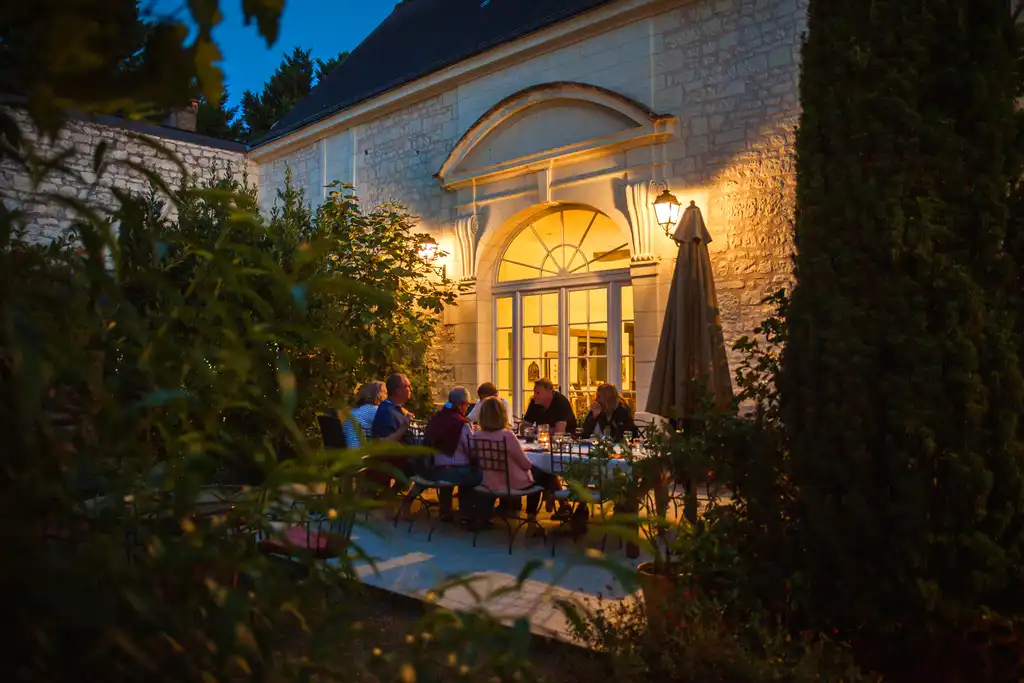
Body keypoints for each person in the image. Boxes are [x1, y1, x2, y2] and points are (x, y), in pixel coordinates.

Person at [471, 397, 557, 534]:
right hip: (512, 483)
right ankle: (532, 521)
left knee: (540, 474)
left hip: (488, 482)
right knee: (542, 474)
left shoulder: (477, 435)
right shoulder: (507, 435)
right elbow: (525, 464)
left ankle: (550, 492)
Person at [417, 387, 484, 521]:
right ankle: (468, 513)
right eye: (467, 405)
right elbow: (472, 450)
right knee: (479, 475)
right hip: (452, 473)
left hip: (431, 469)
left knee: (454, 466)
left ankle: (446, 510)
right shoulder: (462, 423)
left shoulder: (436, 418)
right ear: (463, 404)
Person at [368, 373, 417, 492]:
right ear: (398, 390)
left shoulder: (395, 408)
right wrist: (404, 427)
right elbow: (383, 442)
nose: (410, 389)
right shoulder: (386, 410)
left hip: (399, 456)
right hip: (390, 459)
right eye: (407, 386)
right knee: (424, 461)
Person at [343, 381, 385, 449]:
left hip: (348, 453)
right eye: (386, 393)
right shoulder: (375, 410)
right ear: (380, 395)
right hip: (362, 455)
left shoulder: (355, 410)